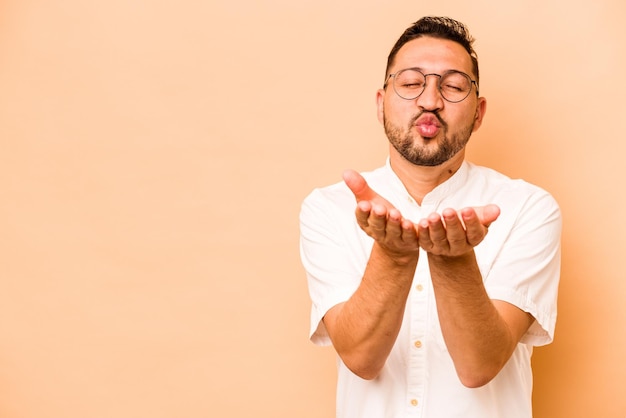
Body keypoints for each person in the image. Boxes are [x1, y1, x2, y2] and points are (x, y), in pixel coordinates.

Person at [299, 16, 561, 418]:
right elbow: (360, 358)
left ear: (478, 113)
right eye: (410, 83)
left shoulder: (528, 207)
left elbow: (479, 367)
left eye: (453, 86)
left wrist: (453, 259)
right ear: (380, 102)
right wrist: (393, 256)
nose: (430, 100)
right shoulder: (328, 208)